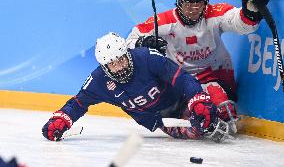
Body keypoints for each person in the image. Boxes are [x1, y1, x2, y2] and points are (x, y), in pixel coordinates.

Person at [126, 0, 270, 134]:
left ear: (206, 0)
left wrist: (250, 12)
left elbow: (240, 23)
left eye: (199, 3)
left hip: (217, 76)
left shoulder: (215, 14)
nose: (194, 9)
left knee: (223, 108)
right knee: (186, 113)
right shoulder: (164, 22)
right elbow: (132, 39)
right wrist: (142, 44)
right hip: (181, 81)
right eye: (189, 3)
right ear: (179, 1)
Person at [42, 32, 230, 142]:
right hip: (163, 120)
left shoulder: (147, 57)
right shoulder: (99, 81)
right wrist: (62, 119)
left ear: (127, 53)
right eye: (113, 64)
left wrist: (197, 99)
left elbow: (180, 78)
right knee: (198, 131)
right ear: (104, 67)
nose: (120, 66)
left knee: (220, 110)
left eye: (122, 59)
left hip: (181, 98)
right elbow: (78, 103)